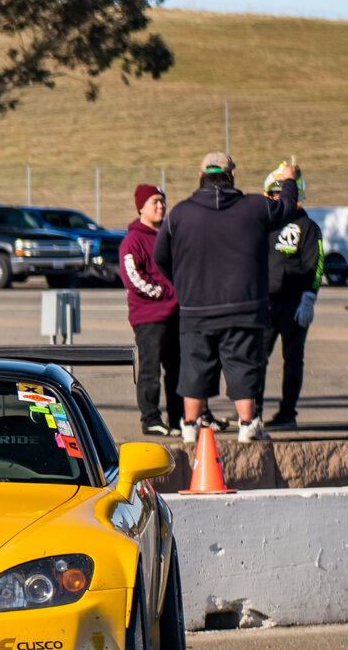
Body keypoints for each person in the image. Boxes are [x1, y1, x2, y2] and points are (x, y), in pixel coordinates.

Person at [155, 150, 300, 445]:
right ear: (232, 176)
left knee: (194, 368)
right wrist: (289, 180)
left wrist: (183, 285)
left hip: (195, 308)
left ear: (200, 178)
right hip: (245, 308)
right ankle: (248, 425)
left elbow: (161, 256)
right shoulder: (256, 207)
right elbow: (287, 209)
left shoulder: (179, 214)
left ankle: (190, 426)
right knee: (244, 365)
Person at [263, 167, 324, 430]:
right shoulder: (263, 224)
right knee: (256, 358)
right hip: (264, 303)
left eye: (283, 194)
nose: (278, 199)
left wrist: (309, 297)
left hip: (295, 304)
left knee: (293, 359)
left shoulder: (308, 227)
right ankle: (251, 411)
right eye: (273, 195)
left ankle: (288, 413)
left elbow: (317, 263)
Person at [121, 183, 183, 436]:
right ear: (141, 208)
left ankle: (179, 419)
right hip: (149, 317)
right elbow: (132, 277)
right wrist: (165, 292)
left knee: (178, 369)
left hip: (177, 315)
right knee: (150, 369)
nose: (161, 206)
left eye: (163, 201)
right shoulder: (133, 240)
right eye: (155, 202)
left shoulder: (169, 236)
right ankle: (151, 418)